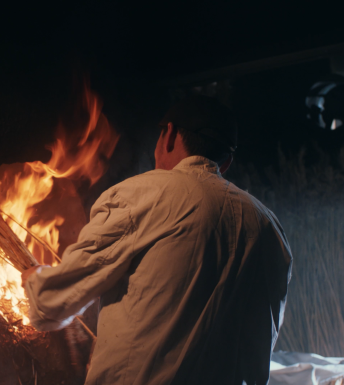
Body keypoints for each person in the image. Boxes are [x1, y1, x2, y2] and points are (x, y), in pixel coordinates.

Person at [21, 95, 292, 385]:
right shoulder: (270, 230)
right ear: (226, 163)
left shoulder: (142, 195)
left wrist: (34, 279)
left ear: (170, 135)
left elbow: (58, 298)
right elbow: (261, 348)